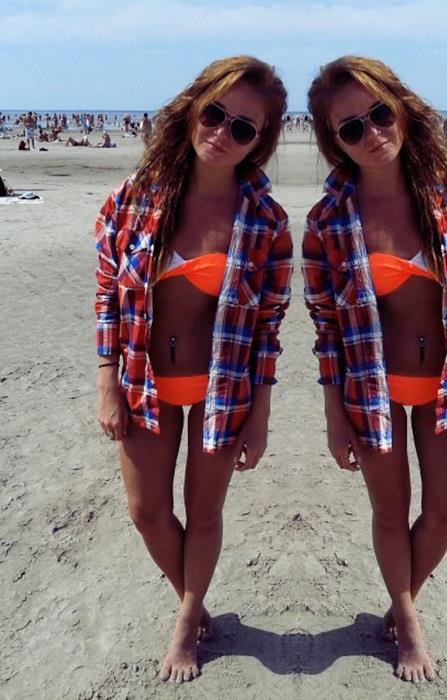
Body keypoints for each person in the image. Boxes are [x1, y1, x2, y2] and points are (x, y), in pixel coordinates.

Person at [94, 56, 292, 683]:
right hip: (142, 384)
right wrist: (106, 380)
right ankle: (195, 598)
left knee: (203, 513)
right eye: (215, 114)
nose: (222, 133)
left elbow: (267, 329)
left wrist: (259, 416)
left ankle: (185, 623)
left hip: (222, 390)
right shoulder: (135, 197)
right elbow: (107, 293)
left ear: (260, 141)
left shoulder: (266, 221)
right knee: (146, 512)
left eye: (243, 128)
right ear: (191, 110)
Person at [303, 56, 447, 684]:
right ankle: (409, 625)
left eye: (379, 114)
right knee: (391, 513)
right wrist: (335, 416)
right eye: (350, 128)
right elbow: (327, 329)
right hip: (371, 389)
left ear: (403, 110)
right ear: (334, 141)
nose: (371, 133)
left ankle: (398, 599)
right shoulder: (327, 221)